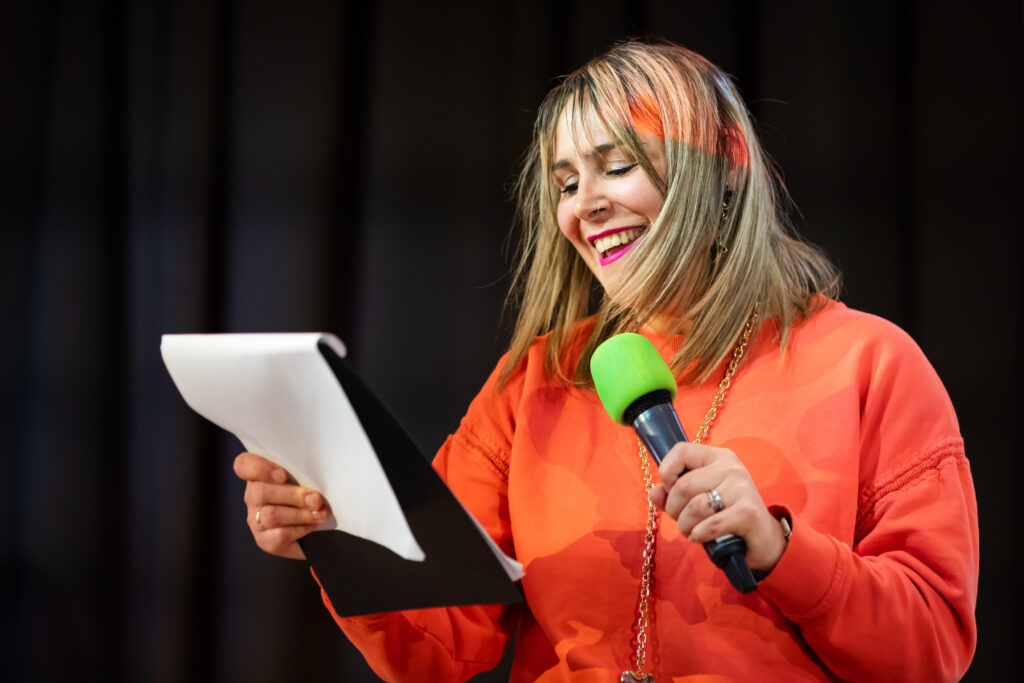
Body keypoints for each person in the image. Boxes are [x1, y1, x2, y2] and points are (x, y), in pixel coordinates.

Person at [233, 40, 978, 681]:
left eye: (615, 166)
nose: (582, 205)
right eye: (565, 182)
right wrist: (336, 535)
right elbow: (441, 644)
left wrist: (785, 551)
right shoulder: (536, 381)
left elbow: (932, 648)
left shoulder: (870, 364)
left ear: (726, 168)